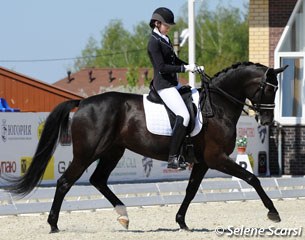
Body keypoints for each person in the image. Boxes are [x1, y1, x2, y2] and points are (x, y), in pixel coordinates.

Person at [147, 7, 204, 170]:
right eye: (166, 25)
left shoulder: (165, 38)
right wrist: (184, 69)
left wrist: (190, 65)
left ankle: (189, 150)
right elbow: (162, 67)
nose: (168, 27)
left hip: (173, 83)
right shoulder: (153, 42)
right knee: (184, 116)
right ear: (157, 23)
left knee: (194, 100)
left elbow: (175, 59)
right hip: (164, 85)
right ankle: (172, 157)